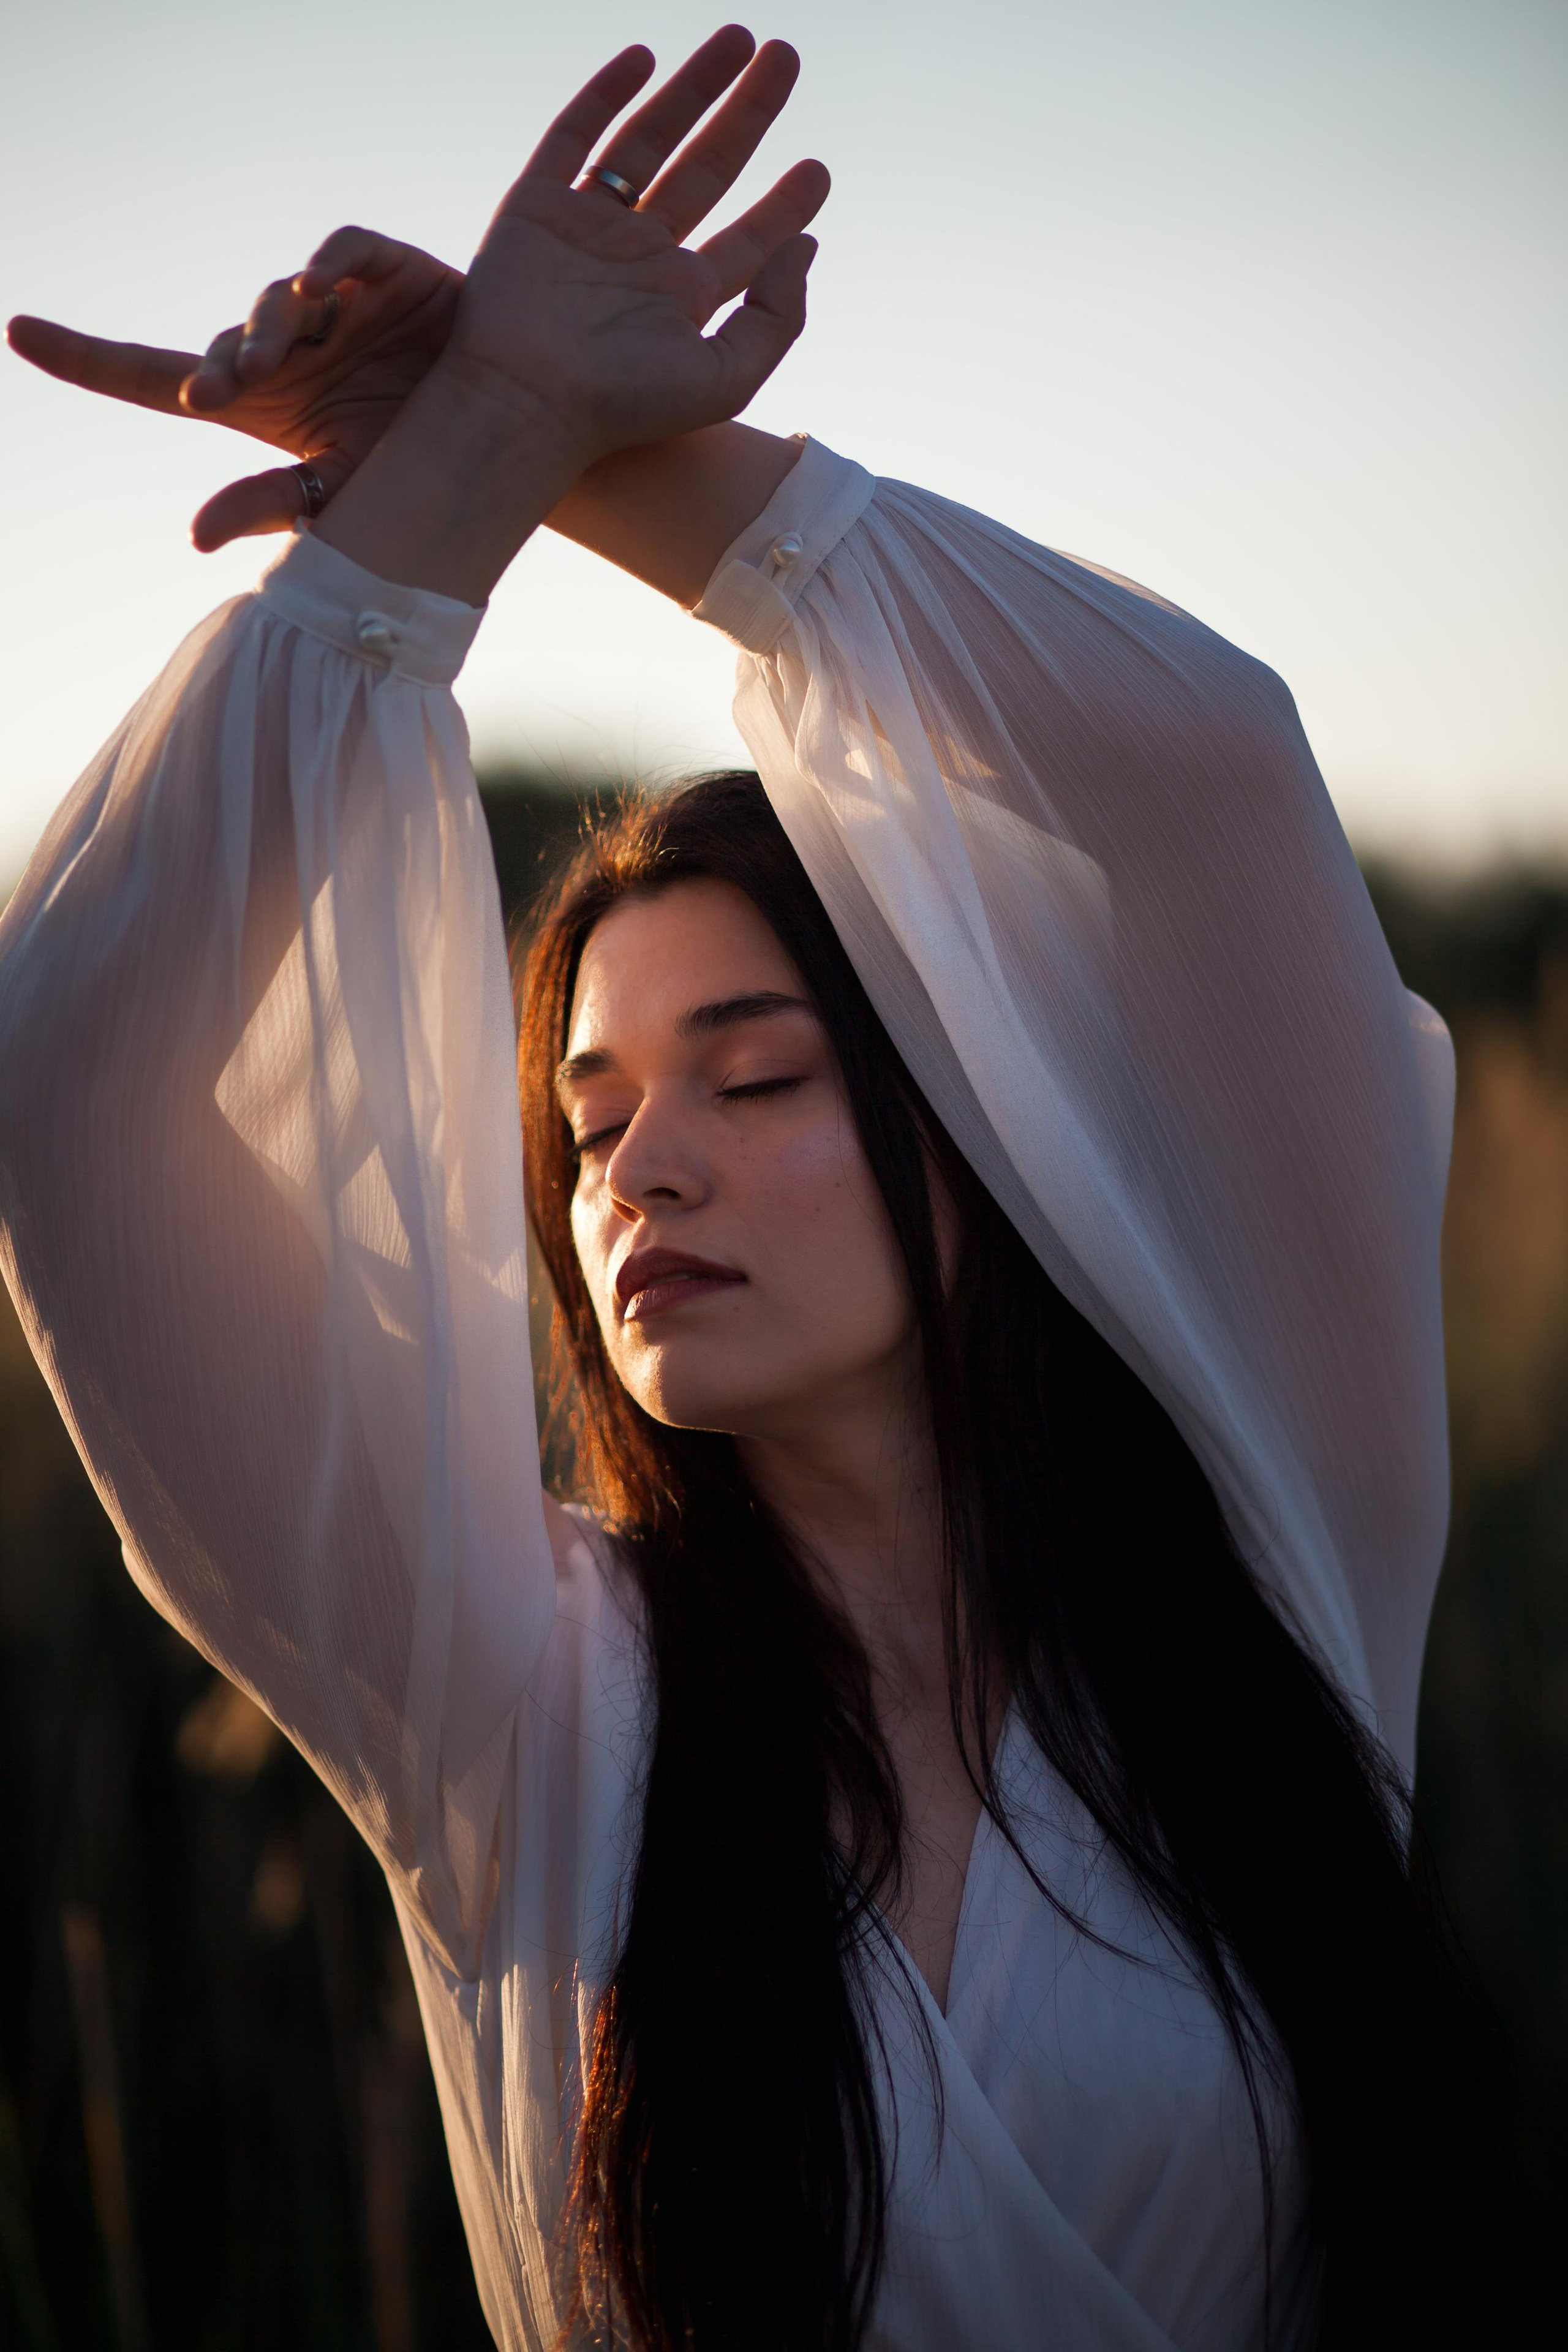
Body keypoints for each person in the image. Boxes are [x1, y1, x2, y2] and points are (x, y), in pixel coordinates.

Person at [0, 27, 1510, 2352]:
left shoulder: (1280, 1539)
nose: (645, 1168)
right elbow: (74, 1095)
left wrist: (612, 452)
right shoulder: (520, 1698)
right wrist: (472, 454)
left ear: (965, 1130)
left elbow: (1209, 785)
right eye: (587, 1123)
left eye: (755, 1075)